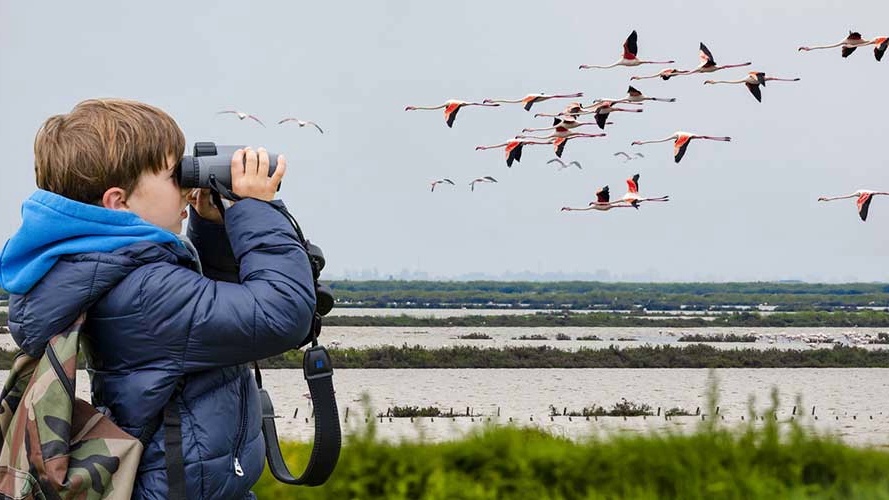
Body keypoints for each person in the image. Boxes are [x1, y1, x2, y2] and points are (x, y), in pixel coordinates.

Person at [0, 98, 316, 499]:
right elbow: (281, 313)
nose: (185, 186)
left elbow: (215, 316)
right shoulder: (145, 291)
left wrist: (214, 230)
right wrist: (256, 210)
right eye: (173, 175)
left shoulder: (110, 271)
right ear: (119, 202)